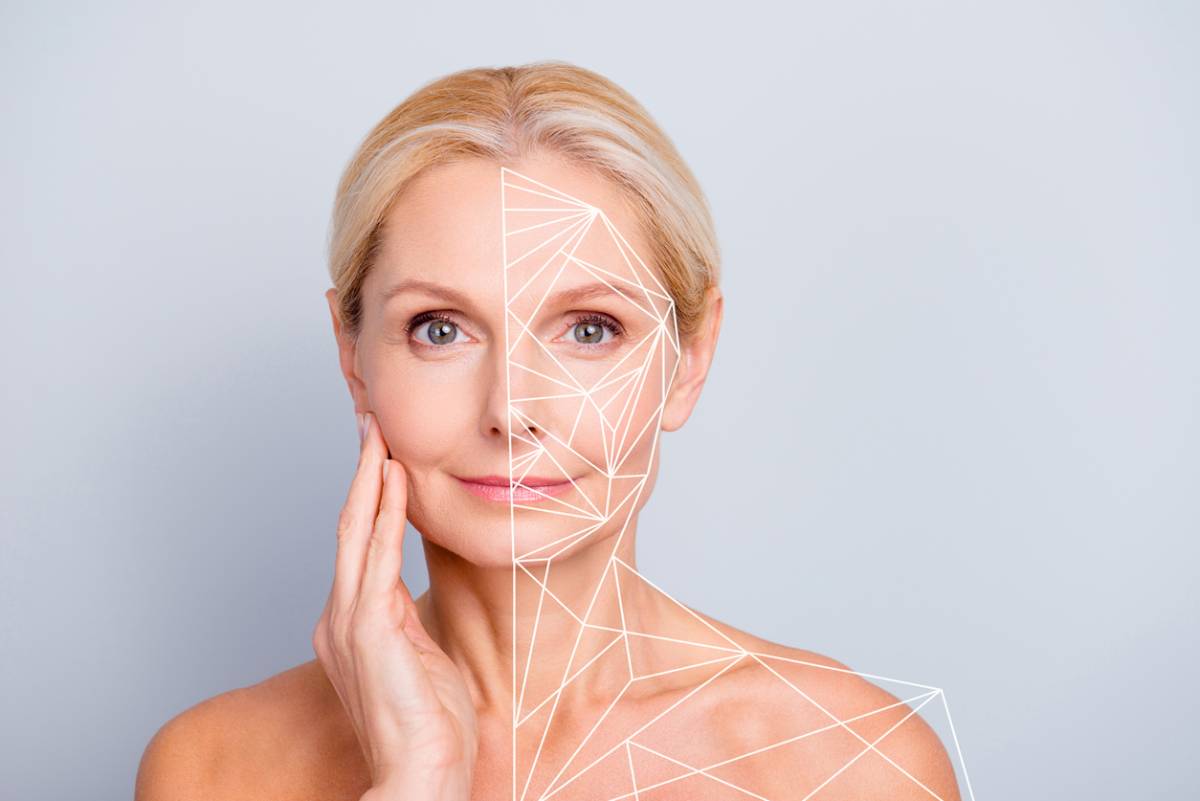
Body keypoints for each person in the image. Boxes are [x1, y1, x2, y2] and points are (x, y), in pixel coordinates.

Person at [135, 61, 962, 801]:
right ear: (352, 355)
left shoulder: (850, 763)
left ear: (690, 358)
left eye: (591, 328)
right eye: (439, 328)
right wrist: (418, 778)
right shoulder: (213, 770)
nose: (510, 409)